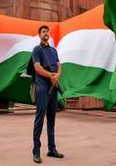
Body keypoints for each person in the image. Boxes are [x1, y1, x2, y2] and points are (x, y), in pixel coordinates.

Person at [32, 25, 64, 164]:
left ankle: (52, 149)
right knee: (39, 119)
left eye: (47, 32)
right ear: (39, 35)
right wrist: (50, 75)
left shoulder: (53, 50)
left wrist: (57, 75)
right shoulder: (37, 50)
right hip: (42, 88)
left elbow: (59, 65)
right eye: (43, 32)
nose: (46, 33)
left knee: (51, 119)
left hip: (53, 88)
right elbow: (37, 68)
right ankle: (36, 151)